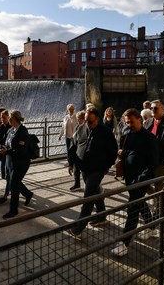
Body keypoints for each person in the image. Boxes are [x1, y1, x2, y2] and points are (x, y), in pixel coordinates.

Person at [111, 109, 159, 257]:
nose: (129, 124)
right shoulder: (127, 136)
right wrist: (122, 153)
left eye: (131, 122)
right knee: (139, 204)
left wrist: (142, 179)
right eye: (127, 122)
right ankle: (151, 226)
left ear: (140, 119)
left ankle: (124, 243)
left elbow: (153, 162)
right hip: (130, 178)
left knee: (132, 208)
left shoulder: (150, 138)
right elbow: (128, 152)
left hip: (141, 180)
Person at [68, 107, 118, 239]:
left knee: (88, 196)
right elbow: (73, 145)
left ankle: (78, 228)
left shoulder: (106, 132)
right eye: (86, 121)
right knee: (95, 190)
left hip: (98, 169)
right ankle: (101, 216)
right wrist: (71, 162)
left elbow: (113, 150)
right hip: (83, 167)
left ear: (97, 119)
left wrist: (108, 165)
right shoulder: (80, 128)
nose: (88, 125)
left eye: (90, 122)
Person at [0, 110, 34, 219]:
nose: (9, 120)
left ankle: (13, 211)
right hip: (11, 161)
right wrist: (4, 148)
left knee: (14, 185)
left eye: (11, 118)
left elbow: (21, 150)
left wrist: (7, 151)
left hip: (21, 163)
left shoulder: (22, 131)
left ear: (15, 119)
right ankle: (28, 194)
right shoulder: (11, 130)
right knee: (14, 181)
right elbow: (8, 144)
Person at [68, 110, 86, 191]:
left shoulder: (87, 128)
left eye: (80, 119)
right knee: (76, 169)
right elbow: (73, 141)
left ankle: (94, 188)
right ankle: (77, 184)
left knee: (85, 172)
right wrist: (70, 161)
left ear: (84, 119)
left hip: (84, 154)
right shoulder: (77, 127)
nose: (78, 120)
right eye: (77, 118)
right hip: (77, 152)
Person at [58, 104, 78, 169]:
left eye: (73, 109)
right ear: (68, 110)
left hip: (74, 136)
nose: (72, 110)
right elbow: (63, 126)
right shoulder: (66, 117)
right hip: (67, 136)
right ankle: (69, 162)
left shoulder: (76, 116)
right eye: (70, 109)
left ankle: (75, 162)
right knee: (68, 150)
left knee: (74, 149)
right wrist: (60, 135)